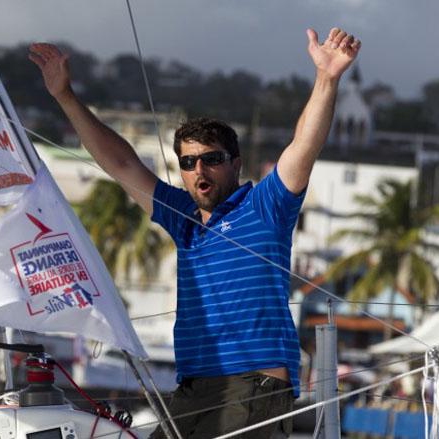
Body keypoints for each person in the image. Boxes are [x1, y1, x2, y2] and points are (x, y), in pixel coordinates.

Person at [30, 27, 360, 438]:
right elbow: (121, 164)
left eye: (211, 159)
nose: (198, 170)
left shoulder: (265, 207)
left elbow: (302, 149)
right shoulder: (181, 216)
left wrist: (327, 79)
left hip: (252, 385)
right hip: (193, 389)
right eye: (188, 163)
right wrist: (65, 96)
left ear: (236, 164)